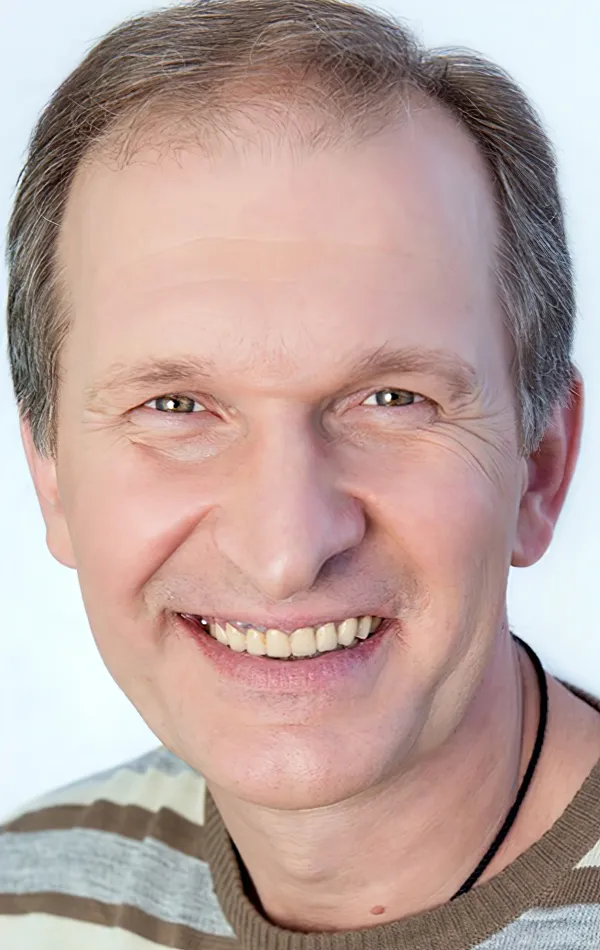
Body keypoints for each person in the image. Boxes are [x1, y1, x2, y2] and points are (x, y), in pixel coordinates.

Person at [2, 0, 600, 946]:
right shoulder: (26, 895)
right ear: (50, 472)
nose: (285, 552)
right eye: (174, 406)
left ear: (540, 467)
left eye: (393, 400)